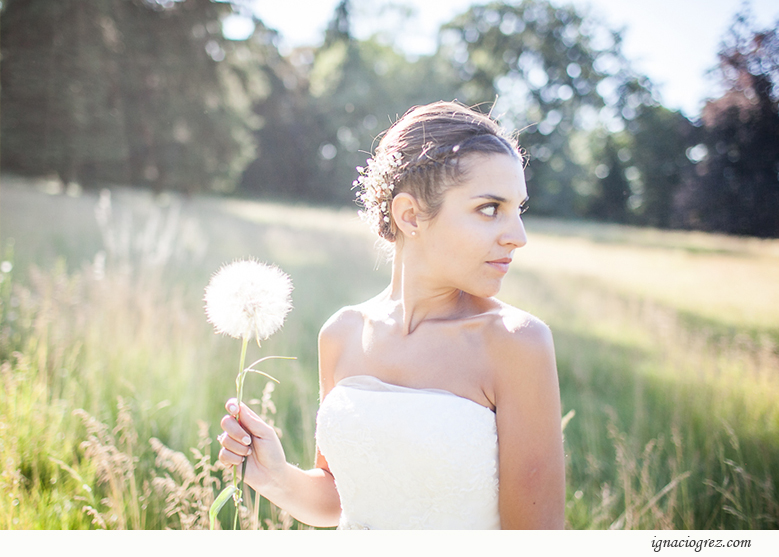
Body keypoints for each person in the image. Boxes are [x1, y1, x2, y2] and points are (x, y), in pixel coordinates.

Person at [217, 101, 565, 530]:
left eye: (518, 210)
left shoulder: (516, 343)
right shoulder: (341, 334)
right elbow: (339, 501)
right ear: (410, 215)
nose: (518, 237)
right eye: (491, 208)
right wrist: (276, 477)